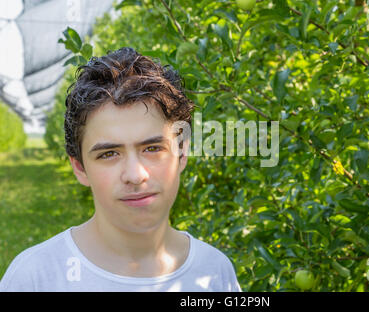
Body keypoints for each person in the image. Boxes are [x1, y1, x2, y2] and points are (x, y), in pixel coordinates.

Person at [0, 47, 242, 292]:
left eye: (152, 148)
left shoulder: (214, 272)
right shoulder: (35, 279)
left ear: (182, 154)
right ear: (80, 168)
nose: (136, 175)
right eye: (109, 154)